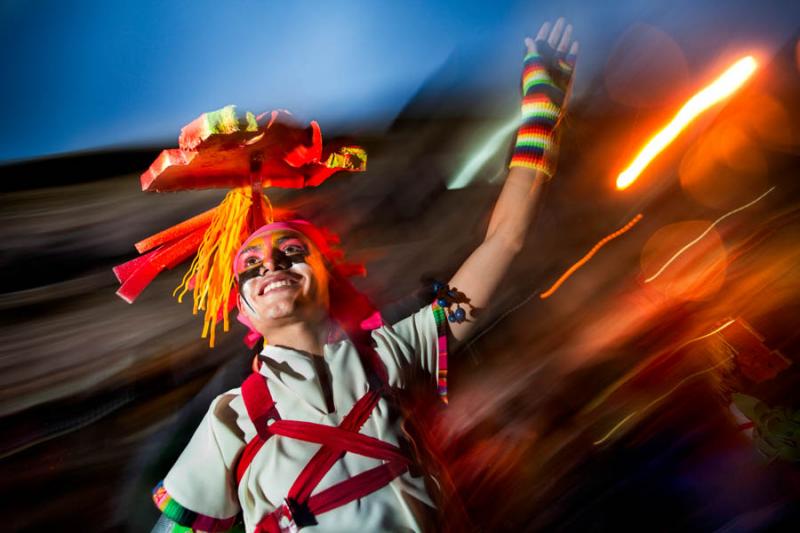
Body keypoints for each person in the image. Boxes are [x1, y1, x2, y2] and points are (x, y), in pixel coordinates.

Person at [151, 18, 579, 533]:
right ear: (241, 308)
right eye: (251, 265)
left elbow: (504, 239)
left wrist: (542, 110)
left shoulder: (394, 353)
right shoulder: (231, 421)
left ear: (328, 275)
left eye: (292, 251)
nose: (272, 263)